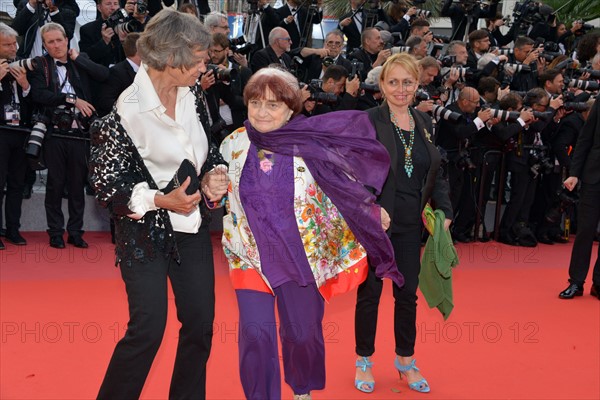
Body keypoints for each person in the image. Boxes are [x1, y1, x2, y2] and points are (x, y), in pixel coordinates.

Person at [220, 67, 403, 400]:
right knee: (256, 334)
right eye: (255, 103)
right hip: (248, 252)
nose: (262, 112)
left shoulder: (310, 143)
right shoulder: (232, 144)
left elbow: (343, 185)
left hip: (301, 254)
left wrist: (372, 211)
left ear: (290, 109)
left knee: (302, 335)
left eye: (273, 105)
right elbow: (215, 189)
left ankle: (301, 388)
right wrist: (209, 189)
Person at [89, 10, 228, 399]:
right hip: (144, 232)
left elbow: (207, 148)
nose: (206, 63)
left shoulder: (194, 93)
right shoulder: (125, 110)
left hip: (192, 229)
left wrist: (215, 173)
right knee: (148, 329)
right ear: (171, 57)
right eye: (199, 57)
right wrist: (159, 199)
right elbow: (106, 184)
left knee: (200, 324)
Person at [354, 53, 453, 394]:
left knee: (407, 295)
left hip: (412, 223)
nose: (400, 89)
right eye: (393, 82)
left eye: (407, 82)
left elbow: (435, 169)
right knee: (370, 293)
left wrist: (446, 210)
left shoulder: (424, 122)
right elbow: (353, 173)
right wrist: (371, 206)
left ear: (417, 84)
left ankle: (405, 360)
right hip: (376, 223)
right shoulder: (368, 120)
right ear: (381, 85)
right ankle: (364, 360)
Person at [560, 97, 600, 300]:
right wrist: (574, 172)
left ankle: (599, 284)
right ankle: (576, 282)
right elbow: (585, 138)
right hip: (594, 175)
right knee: (585, 230)